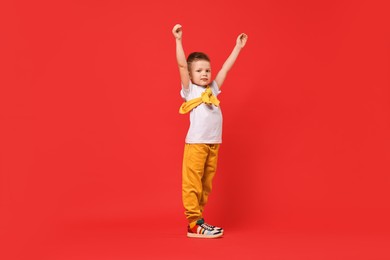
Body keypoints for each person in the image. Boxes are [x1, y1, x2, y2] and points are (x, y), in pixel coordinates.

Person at [172, 24, 248, 238]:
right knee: (192, 183)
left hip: (214, 143)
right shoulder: (190, 90)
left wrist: (237, 48)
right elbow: (180, 65)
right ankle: (193, 222)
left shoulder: (212, 89)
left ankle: (199, 222)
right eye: (199, 70)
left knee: (206, 184)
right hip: (196, 143)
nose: (204, 74)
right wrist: (178, 40)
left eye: (207, 70)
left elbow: (225, 69)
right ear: (190, 74)